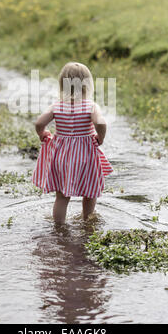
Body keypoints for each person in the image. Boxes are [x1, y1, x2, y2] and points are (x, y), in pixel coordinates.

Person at [32, 61, 113, 224]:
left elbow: (39, 123)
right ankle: (87, 223)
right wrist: (100, 137)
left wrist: (42, 134)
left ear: (62, 84)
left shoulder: (57, 106)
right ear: (87, 84)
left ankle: (59, 227)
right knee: (90, 193)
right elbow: (101, 123)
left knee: (62, 197)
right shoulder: (91, 106)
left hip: (61, 157)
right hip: (86, 156)